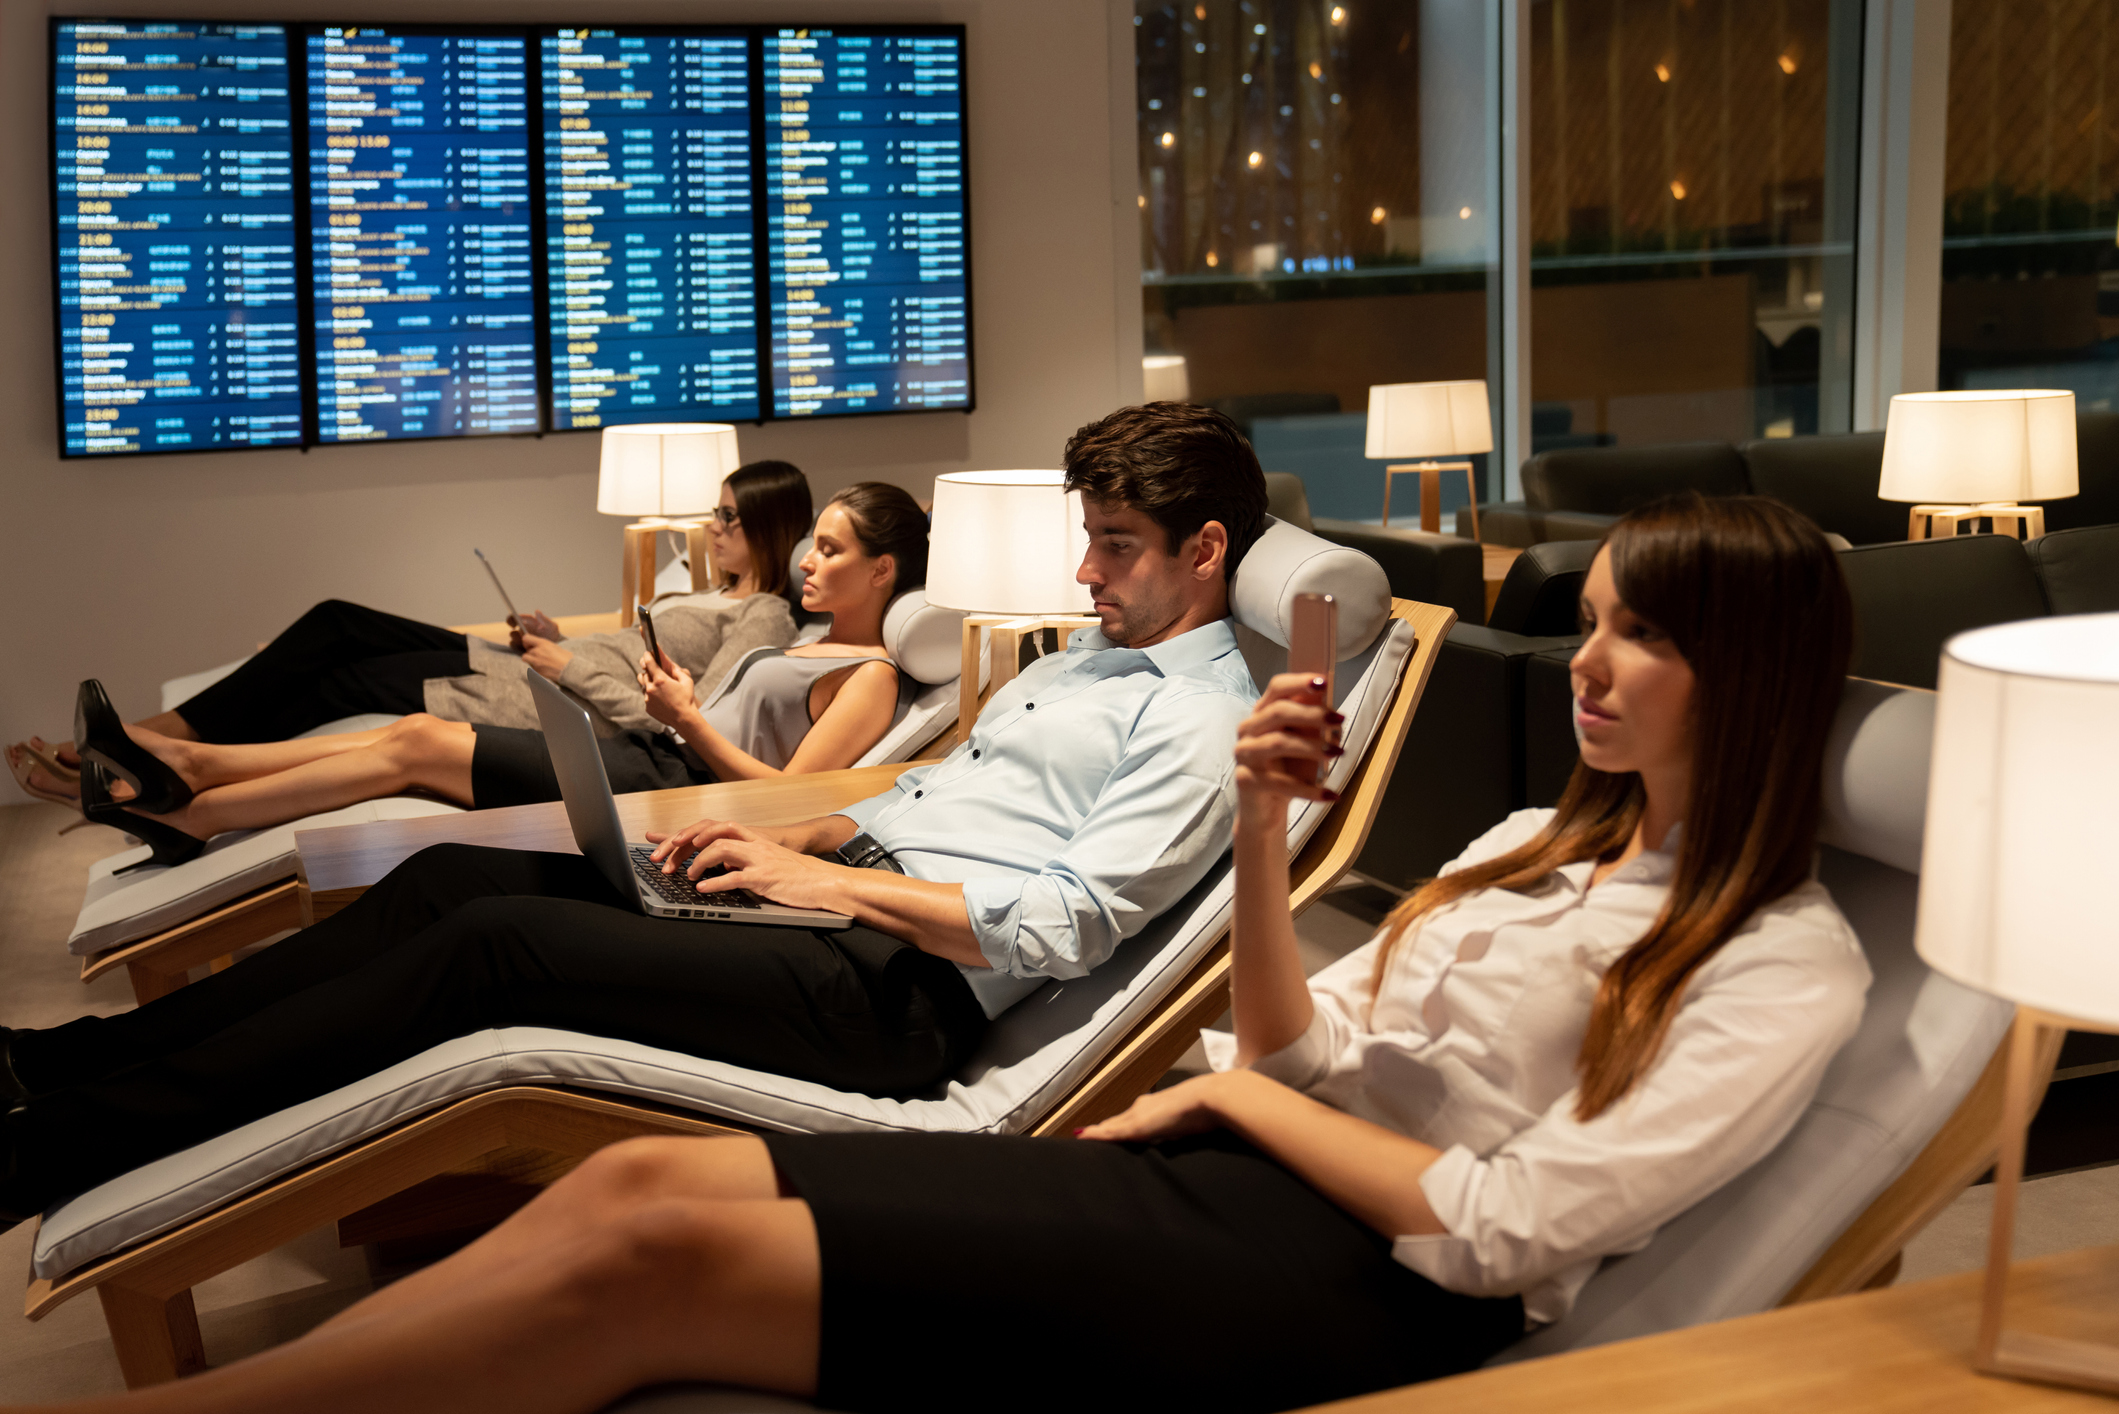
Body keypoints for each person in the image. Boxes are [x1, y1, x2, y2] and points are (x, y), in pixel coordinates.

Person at [5, 493, 1868, 1414]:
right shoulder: (1518, 848)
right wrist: (1257, 831)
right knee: (640, 1170)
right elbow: (1295, 1051)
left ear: (1756, 680)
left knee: (646, 1248)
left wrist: (1216, 1107)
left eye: (1645, 641)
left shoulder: (1787, 962)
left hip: (1358, 1280)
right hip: (1227, 1160)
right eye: (1596, 622)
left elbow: (1507, 1224)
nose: (1595, 669)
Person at [0, 401, 1268, 1225]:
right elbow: (927, 800)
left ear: (1204, 548)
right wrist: (786, 843)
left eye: (1114, 544)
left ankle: (54, 1147)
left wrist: (833, 885)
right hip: (833, 911)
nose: (1086, 570)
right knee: (452, 878)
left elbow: (1070, 920)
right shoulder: (1072, 667)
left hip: (892, 993)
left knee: (497, 947)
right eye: (1088, 539)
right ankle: (68, 1063)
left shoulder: (1204, 717)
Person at [59, 482, 931, 871]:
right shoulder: (805, 638)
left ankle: (195, 801)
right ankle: (194, 785)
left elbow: (794, 801)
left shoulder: (872, 676)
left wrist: (690, 722)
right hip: (658, 751)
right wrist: (685, 703)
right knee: (408, 736)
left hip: (670, 784)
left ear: (884, 570)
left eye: (831, 548)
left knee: (417, 742)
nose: (808, 561)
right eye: (812, 542)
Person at [4, 459, 813, 811]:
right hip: (531, 667)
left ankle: (138, 757)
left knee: (343, 683)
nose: (712, 526)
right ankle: (143, 739)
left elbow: (684, 716)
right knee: (336, 622)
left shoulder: (765, 616)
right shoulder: (703, 585)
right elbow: (626, 646)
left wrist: (567, 663)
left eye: (728, 517)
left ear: (770, 529)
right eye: (715, 510)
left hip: (543, 701)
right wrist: (554, 633)